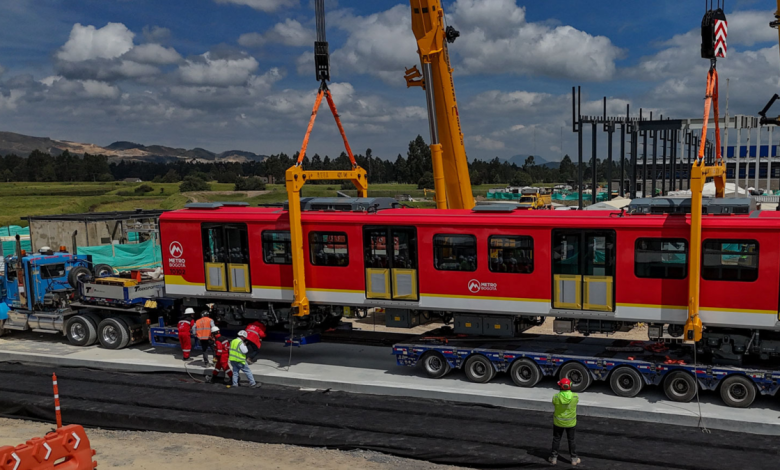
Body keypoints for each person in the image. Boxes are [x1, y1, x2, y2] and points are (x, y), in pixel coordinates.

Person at [549, 378, 580, 466]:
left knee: (556, 439)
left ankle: (553, 458)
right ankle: (574, 459)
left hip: (558, 422)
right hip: (571, 423)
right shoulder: (575, 396)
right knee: (571, 440)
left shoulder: (555, 397)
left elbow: (554, 403)